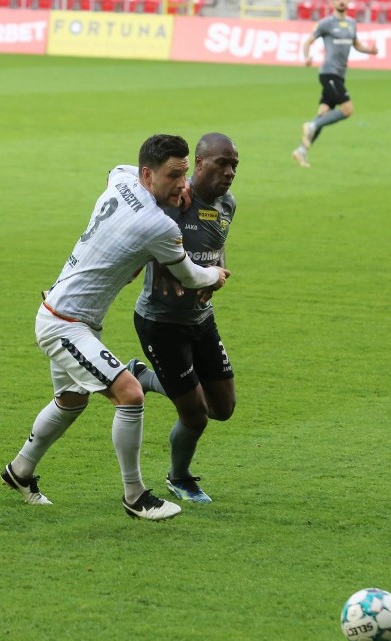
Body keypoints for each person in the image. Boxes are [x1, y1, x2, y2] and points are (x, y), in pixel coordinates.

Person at [0, 134, 231, 521]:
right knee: (130, 394)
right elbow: (190, 276)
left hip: (65, 310)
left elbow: (114, 170)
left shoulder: (123, 180)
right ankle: (135, 495)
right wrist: (216, 274)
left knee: (71, 402)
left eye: (185, 174)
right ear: (147, 174)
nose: (182, 185)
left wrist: (167, 193)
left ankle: (19, 471)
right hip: (65, 325)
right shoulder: (156, 225)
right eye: (173, 176)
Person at [125, 133, 239, 504]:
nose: (229, 172)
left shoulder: (228, 205)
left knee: (222, 408)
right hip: (161, 322)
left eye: (234, 165)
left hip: (201, 318)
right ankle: (180, 478)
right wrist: (165, 271)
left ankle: (144, 376)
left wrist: (217, 273)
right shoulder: (175, 200)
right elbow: (150, 235)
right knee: (194, 416)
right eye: (222, 163)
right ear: (200, 164)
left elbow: (216, 248)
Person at [292, 0, 378, 168]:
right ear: (332, 2)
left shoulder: (352, 23)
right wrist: (307, 57)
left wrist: (370, 51)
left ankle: (301, 151)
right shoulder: (326, 23)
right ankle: (311, 125)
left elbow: (356, 44)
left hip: (339, 75)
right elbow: (308, 41)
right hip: (328, 73)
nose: (342, 2)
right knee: (347, 110)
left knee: (323, 113)